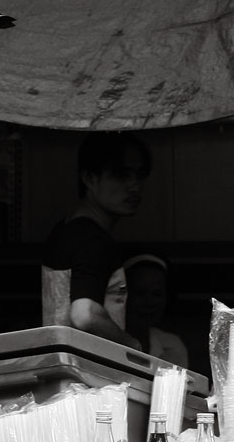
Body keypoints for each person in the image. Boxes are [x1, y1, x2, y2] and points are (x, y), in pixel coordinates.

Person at [40, 131, 151, 351]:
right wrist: (132, 345)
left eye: (139, 175)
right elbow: (84, 314)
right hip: (89, 377)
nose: (134, 186)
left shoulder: (65, 230)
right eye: (122, 175)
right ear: (90, 179)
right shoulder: (94, 241)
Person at [119, 254, 189, 367]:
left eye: (157, 294)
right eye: (140, 293)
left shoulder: (173, 346)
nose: (148, 302)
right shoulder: (105, 341)